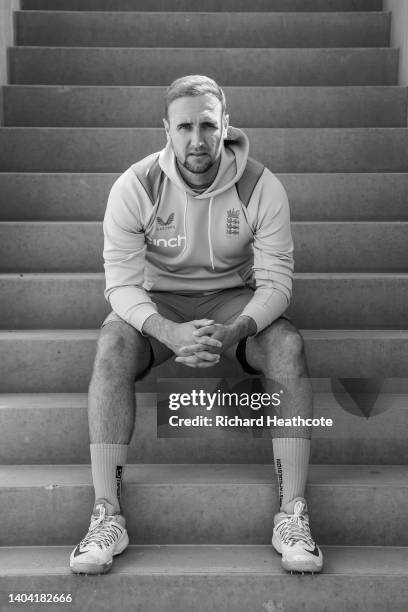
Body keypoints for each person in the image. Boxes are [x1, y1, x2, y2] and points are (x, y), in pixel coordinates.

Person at [70, 75, 323, 575]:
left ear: (225, 125)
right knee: (112, 346)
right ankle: (107, 515)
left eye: (207, 125)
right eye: (184, 126)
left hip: (235, 300)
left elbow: (276, 286)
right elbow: (120, 286)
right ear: (166, 129)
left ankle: (292, 511)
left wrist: (234, 331)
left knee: (288, 347)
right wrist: (167, 331)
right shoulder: (136, 185)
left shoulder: (261, 185)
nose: (197, 139)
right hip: (159, 302)